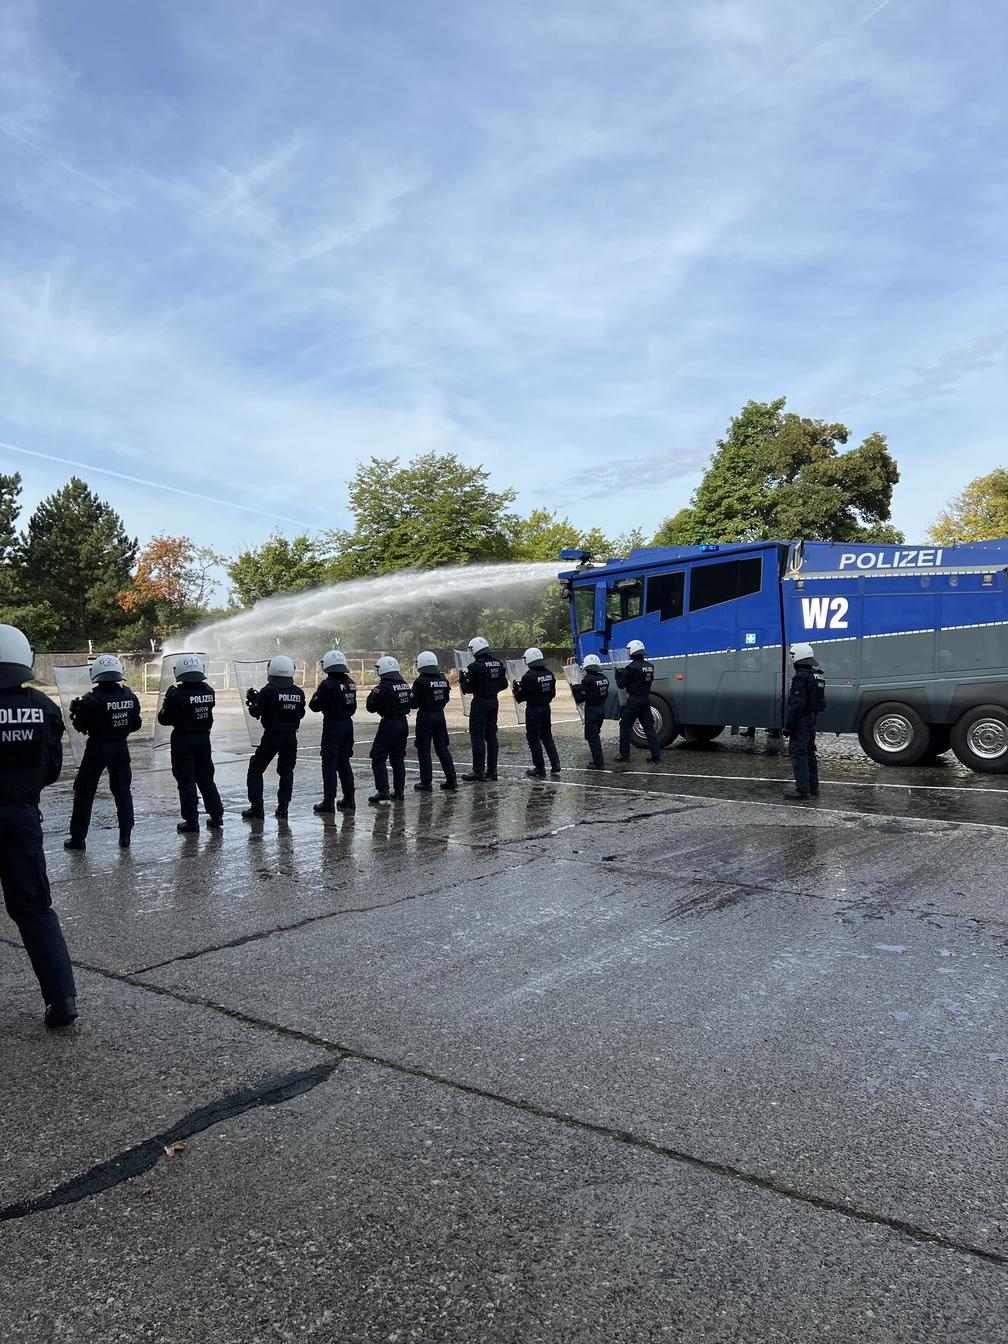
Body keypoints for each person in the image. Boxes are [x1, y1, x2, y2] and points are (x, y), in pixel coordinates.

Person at [0, 624, 77, 1028]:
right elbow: (51, 770)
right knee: (34, 910)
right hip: (22, 818)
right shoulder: (42, 706)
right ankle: (62, 999)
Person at [63, 655, 142, 850]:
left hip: (98, 748)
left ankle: (78, 838)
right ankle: (125, 837)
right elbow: (136, 724)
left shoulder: (91, 700)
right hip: (121, 748)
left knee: (84, 792)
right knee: (123, 791)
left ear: (96, 674)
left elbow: (80, 725)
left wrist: (75, 712)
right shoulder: (129, 696)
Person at [158, 653, 224, 833]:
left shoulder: (176, 694)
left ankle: (191, 822)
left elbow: (163, 719)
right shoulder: (208, 691)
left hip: (183, 740)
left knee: (186, 781)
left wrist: (167, 703)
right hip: (204, 739)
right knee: (206, 778)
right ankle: (217, 816)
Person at [242, 655, 306, 821]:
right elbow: (301, 713)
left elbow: (256, 712)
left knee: (255, 769)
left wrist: (252, 702)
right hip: (291, 738)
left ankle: (257, 809)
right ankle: (283, 809)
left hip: (272, 736)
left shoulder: (268, 690)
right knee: (286, 772)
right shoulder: (298, 693)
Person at [309, 650, 357, 813]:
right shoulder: (350, 682)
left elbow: (313, 706)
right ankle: (349, 800)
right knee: (344, 763)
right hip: (347, 725)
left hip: (333, 725)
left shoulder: (327, 684)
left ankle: (328, 802)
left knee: (329, 764)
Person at [459, 636, 508, 782]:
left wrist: (463, 680)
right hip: (494, 701)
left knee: (477, 736)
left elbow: (467, 688)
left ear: (475, 650)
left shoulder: (475, 667)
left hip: (480, 702)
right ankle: (492, 771)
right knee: (491, 735)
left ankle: (478, 771)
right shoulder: (498, 664)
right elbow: (504, 685)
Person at [782, 642, 826, 800]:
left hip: (801, 720)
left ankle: (802, 789)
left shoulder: (801, 677)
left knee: (798, 752)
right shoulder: (817, 675)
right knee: (809, 752)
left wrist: (788, 727)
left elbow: (797, 705)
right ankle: (813, 786)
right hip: (812, 719)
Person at [365, 655, 411, 804]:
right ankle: (399, 792)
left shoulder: (382, 687)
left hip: (389, 724)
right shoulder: (404, 684)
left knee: (378, 757)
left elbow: (370, 707)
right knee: (397, 759)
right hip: (403, 723)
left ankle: (383, 791)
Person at [410, 651, 456, 792]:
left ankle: (426, 782)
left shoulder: (420, 681)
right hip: (439, 715)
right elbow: (446, 698)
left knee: (423, 750)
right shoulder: (442, 678)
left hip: (425, 716)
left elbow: (413, 703)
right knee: (442, 748)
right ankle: (451, 779)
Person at [513, 647, 561, 778]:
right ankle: (555, 763)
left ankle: (539, 768)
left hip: (534, 710)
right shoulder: (549, 674)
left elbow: (520, 697)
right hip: (546, 708)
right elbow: (553, 693)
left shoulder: (528, 676)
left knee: (533, 739)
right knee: (547, 736)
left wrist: (516, 690)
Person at [614, 639, 661, 763]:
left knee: (625, 726)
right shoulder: (650, 667)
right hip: (645, 699)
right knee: (649, 727)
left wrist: (618, 674)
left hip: (634, 700)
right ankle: (656, 754)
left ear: (632, 651)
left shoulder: (631, 667)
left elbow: (621, 685)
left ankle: (624, 755)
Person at [571, 653, 609, 770]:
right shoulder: (604, 678)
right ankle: (598, 761)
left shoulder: (587, 680)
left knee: (592, 737)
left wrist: (575, 690)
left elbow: (579, 698)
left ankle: (598, 763)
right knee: (594, 735)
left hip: (592, 711)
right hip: (601, 709)